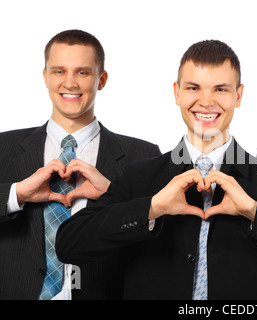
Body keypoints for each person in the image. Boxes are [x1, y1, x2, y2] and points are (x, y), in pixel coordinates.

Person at [55, 39, 257, 300]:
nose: (206, 101)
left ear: (238, 95)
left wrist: (254, 212)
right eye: (194, 88)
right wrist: (152, 207)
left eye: (220, 89)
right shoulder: (138, 177)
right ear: (177, 93)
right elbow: (70, 244)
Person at [0, 29, 161, 300]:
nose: (70, 83)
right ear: (45, 77)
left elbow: (164, 244)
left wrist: (114, 199)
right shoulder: (3, 148)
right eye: (59, 71)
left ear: (102, 79)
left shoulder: (143, 154)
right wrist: (16, 194)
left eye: (83, 72)